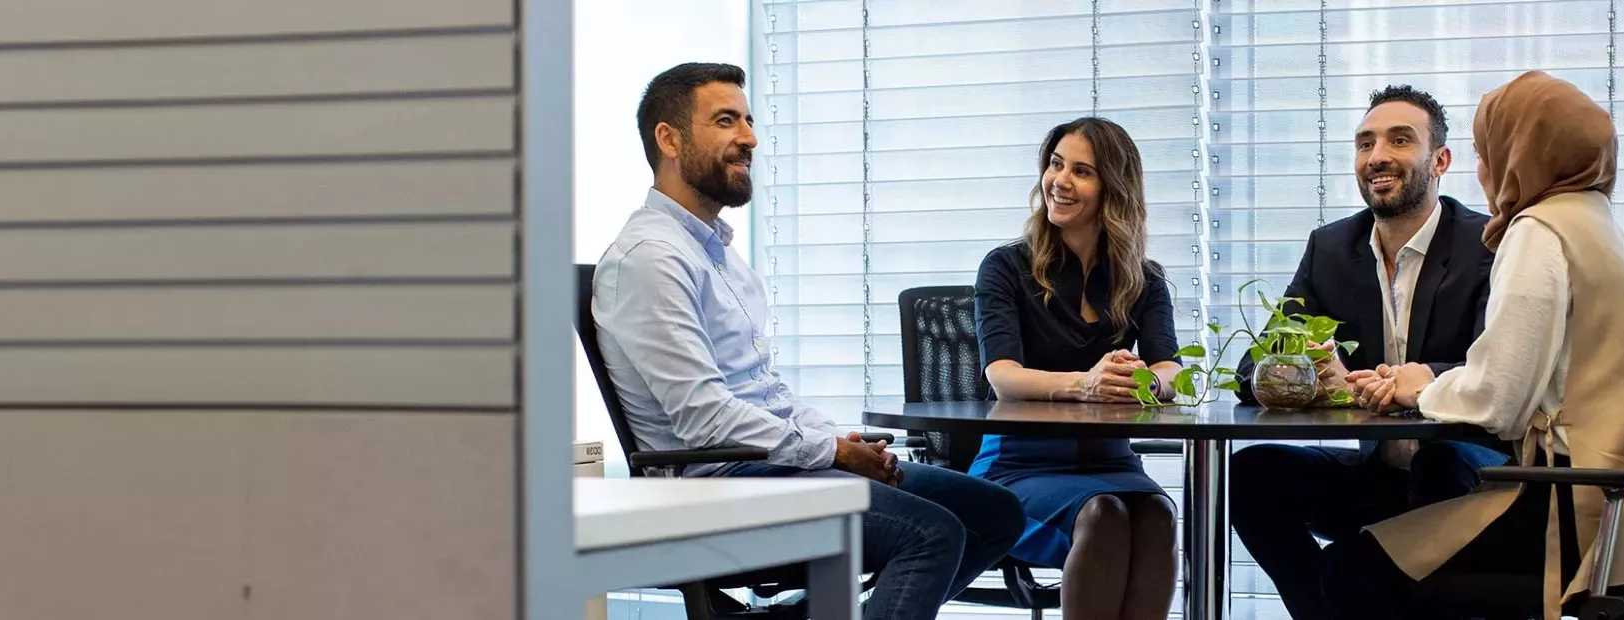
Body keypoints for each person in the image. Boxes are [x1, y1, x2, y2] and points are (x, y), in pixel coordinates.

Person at [592, 62, 1026, 620]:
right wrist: (833, 452)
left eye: (748, 121)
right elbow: (704, 418)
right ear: (669, 139)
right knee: (932, 533)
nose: (749, 138)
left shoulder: (715, 254)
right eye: (726, 121)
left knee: (994, 513)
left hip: (768, 469)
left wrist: (832, 441)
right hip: (714, 490)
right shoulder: (650, 260)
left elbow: (763, 391)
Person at [1330, 70, 1624, 620]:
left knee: (1351, 571)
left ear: (1524, 152)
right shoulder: (1596, 224)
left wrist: (1420, 386)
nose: (1483, 171)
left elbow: (1497, 398)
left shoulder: (1538, 230)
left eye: (1487, 152)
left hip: (1568, 510)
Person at [1225, 85, 1511, 620]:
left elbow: (1503, 369)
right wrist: (1311, 376)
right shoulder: (1332, 247)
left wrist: (1419, 381)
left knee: (1440, 461)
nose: (1377, 156)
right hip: (1378, 472)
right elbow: (1252, 367)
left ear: (1441, 160)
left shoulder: (1488, 245)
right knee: (1252, 474)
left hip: (1470, 472)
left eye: (1400, 140)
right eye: (1365, 143)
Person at [970, 117, 1179, 620]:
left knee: (1158, 514)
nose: (1060, 181)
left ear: (1114, 189)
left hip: (1111, 463)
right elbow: (1003, 375)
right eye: (1056, 165)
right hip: (1019, 466)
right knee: (1103, 513)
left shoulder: (1143, 280)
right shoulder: (1005, 267)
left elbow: (1171, 368)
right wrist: (1085, 384)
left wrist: (1145, 380)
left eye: (1082, 171)